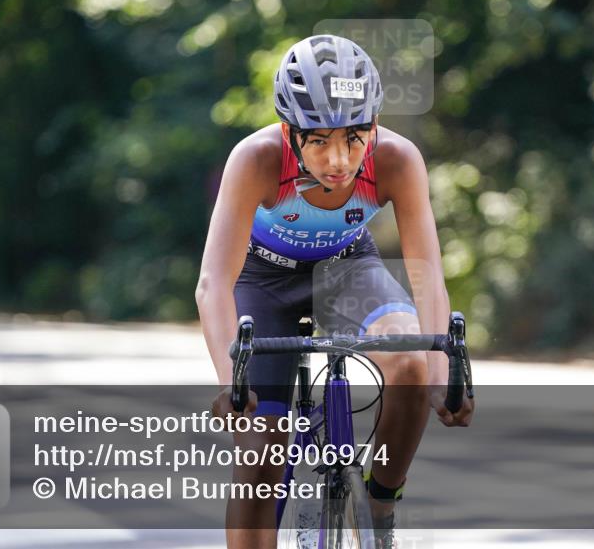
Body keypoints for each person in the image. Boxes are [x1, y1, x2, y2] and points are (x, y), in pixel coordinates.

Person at [196, 35, 474, 549]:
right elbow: (213, 281)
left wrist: (439, 377)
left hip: (345, 268)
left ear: (373, 125)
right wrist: (233, 386)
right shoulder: (255, 158)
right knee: (261, 446)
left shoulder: (397, 158)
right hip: (261, 280)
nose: (339, 159)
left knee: (409, 362)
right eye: (319, 140)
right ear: (289, 131)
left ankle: (381, 499)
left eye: (353, 137)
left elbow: (427, 270)